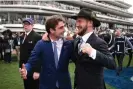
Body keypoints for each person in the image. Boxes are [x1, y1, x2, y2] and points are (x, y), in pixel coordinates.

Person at [20, 15, 73, 89]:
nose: (64, 29)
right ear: (51, 30)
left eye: (64, 26)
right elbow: (31, 61)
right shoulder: (41, 44)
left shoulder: (68, 44)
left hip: (65, 85)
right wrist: (26, 69)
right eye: (61, 28)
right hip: (46, 85)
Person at [71, 8, 116, 89]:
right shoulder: (77, 40)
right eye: (76, 21)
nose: (76, 24)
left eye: (80, 21)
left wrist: (92, 52)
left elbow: (112, 64)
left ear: (90, 23)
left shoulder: (99, 42)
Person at [19, 18, 42, 89]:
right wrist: (20, 66)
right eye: (24, 24)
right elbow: (22, 53)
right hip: (24, 67)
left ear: (32, 25)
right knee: (27, 86)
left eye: (27, 24)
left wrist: (37, 70)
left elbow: (40, 55)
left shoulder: (37, 36)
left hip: (33, 68)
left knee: (34, 86)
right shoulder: (22, 36)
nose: (25, 26)